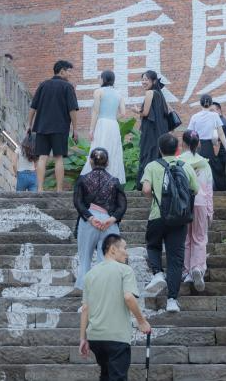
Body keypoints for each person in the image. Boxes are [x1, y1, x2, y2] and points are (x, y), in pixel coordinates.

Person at [79, 235, 152, 380]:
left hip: (95, 338)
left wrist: (83, 339)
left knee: (106, 375)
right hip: (116, 337)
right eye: (124, 248)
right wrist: (142, 322)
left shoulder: (89, 275)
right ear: (113, 249)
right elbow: (128, 297)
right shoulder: (124, 270)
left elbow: (85, 308)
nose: (127, 252)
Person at [141, 132, 199, 313]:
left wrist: (156, 198)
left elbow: (146, 190)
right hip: (179, 219)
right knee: (175, 260)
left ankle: (158, 273)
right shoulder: (185, 166)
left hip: (158, 216)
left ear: (159, 149)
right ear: (177, 149)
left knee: (153, 246)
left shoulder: (152, 166)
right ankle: (172, 300)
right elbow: (195, 190)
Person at [73, 148, 127, 293]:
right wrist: (111, 220)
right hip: (108, 223)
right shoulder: (114, 181)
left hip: (89, 221)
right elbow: (122, 205)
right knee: (108, 261)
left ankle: (86, 295)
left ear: (90, 161)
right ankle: (106, 292)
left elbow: (78, 202)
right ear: (107, 162)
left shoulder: (82, 180)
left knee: (85, 260)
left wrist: (90, 218)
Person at [28, 60, 80, 192]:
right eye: (69, 71)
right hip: (60, 128)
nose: (70, 75)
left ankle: (39, 189)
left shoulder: (43, 85)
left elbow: (33, 107)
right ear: (62, 71)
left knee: (42, 157)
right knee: (58, 157)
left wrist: (29, 125)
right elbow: (72, 110)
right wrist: (75, 129)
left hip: (42, 127)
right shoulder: (67, 87)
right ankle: (59, 190)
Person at [180, 130, 213, 292]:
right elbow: (209, 189)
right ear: (198, 144)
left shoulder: (179, 162)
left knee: (186, 238)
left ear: (183, 143)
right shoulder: (204, 163)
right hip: (200, 202)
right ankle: (198, 267)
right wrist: (210, 211)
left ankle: (186, 271)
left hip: (183, 204)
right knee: (200, 237)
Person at [79, 70, 126, 184]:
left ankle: (94, 180)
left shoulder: (98, 92)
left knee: (98, 148)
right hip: (113, 125)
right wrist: (113, 118)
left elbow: (95, 111)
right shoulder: (119, 94)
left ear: (104, 79)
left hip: (102, 124)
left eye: (100, 77)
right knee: (113, 151)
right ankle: (111, 180)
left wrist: (91, 130)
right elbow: (123, 113)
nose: (99, 79)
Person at [132, 70, 169, 183]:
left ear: (153, 81)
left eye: (146, 79)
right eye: (142, 79)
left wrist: (136, 110)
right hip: (160, 130)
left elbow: (145, 113)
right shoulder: (159, 94)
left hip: (150, 130)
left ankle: (146, 182)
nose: (143, 82)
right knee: (157, 154)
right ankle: (159, 180)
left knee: (148, 153)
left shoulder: (149, 93)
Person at [188, 94, 226, 192]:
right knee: (212, 169)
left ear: (200, 104)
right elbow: (221, 134)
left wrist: (191, 149)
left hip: (198, 146)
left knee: (198, 169)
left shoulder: (194, 117)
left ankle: (198, 191)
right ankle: (213, 191)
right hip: (210, 147)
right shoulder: (215, 115)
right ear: (210, 104)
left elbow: (189, 134)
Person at [210, 101, 226, 190]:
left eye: (212, 110)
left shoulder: (218, 123)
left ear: (219, 110)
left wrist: (214, 155)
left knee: (220, 178)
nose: (210, 113)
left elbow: (216, 142)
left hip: (220, 156)